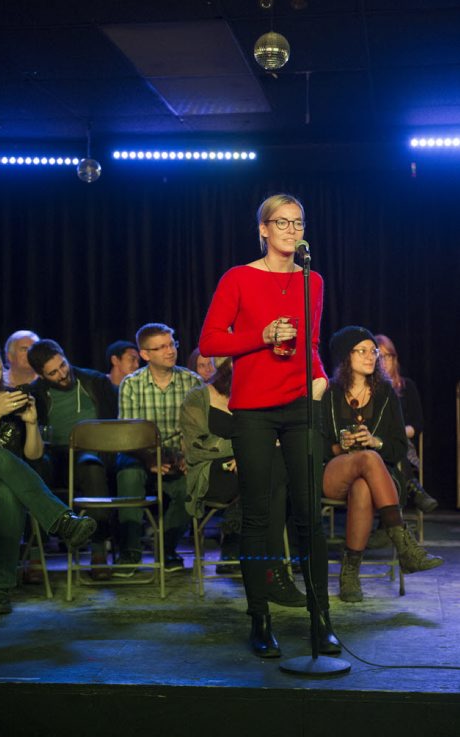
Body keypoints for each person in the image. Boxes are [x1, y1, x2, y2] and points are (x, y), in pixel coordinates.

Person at [199, 192, 339, 658]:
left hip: (301, 404)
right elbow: (210, 341)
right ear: (263, 229)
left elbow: (313, 341)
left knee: (309, 515)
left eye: (298, 223)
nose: (291, 231)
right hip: (254, 410)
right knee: (258, 516)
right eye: (282, 223)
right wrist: (259, 337)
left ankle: (321, 619)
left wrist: (319, 377)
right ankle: (259, 617)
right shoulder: (239, 278)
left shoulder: (311, 280)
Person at [0, 332, 96, 613]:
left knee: (8, 492)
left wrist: (32, 424)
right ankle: (62, 522)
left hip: (4, 481)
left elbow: (33, 456)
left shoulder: (16, 396)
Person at [321, 326, 443, 603]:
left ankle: (349, 573)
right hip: (334, 472)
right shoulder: (329, 393)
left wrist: (375, 442)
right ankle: (405, 545)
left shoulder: (386, 393)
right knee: (364, 458)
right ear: (344, 356)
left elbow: (400, 446)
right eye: (361, 351)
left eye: (373, 351)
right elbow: (315, 443)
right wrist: (343, 446)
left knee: (364, 483)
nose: (370, 356)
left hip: (376, 477)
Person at [180, 356, 306, 606]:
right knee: (268, 473)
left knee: (273, 471)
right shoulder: (198, 398)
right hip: (213, 473)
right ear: (225, 367)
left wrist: (252, 454)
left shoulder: (260, 397)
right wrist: (245, 449)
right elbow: (195, 449)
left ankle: (271, 571)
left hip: (258, 471)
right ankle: (274, 571)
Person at [27, 339, 118, 579]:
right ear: (41, 375)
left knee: (90, 465)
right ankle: (35, 554)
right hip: (53, 454)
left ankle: (99, 553)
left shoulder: (96, 382)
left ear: (65, 357)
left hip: (90, 451)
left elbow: (114, 423)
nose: (62, 374)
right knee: (35, 468)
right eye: (53, 373)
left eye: (63, 366)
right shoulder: (34, 393)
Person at [117, 323, 201, 571]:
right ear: (145, 354)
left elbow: (198, 428)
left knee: (194, 480)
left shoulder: (192, 381)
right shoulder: (132, 384)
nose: (170, 351)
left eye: (171, 344)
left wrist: (190, 455)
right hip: (140, 453)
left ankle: (166, 548)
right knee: (129, 474)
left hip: (179, 453)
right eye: (161, 347)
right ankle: (130, 551)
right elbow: (129, 433)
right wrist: (149, 459)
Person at [376, 333, 437, 513]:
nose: (383, 361)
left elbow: (417, 425)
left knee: (396, 446)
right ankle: (414, 489)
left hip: (403, 444)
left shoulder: (406, 387)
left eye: (387, 356)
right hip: (375, 445)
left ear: (394, 359)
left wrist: (397, 434)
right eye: (379, 356)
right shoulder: (368, 390)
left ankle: (389, 522)